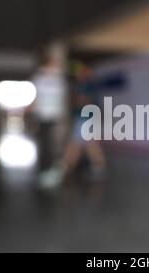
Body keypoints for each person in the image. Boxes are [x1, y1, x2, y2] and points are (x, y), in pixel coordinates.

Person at [39, 61, 106, 189]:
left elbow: (84, 102)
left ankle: (61, 172)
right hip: (84, 118)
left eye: (83, 71)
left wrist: (78, 102)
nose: (81, 74)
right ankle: (97, 168)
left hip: (86, 118)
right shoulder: (84, 85)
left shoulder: (86, 86)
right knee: (87, 145)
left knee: (76, 145)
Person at [31, 44, 68, 184]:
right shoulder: (42, 78)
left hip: (51, 115)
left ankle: (51, 169)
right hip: (44, 115)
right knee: (46, 143)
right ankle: (46, 169)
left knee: (51, 143)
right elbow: (37, 98)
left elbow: (60, 98)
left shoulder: (55, 79)